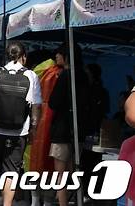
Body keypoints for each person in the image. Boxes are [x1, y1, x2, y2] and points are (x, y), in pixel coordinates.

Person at [0, 42, 42, 206]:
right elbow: (36, 106)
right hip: (20, 132)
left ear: (6, 56)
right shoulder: (31, 76)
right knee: (11, 171)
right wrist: (33, 128)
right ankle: (6, 204)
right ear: (23, 57)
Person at [48, 45, 89, 206]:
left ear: (66, 56)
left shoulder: (65, 75)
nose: (56, 56)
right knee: (74, 169)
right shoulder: (84, 76)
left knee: (61, 173)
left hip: (62, 129)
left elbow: (54, 102)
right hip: (78, 129)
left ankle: (63, 203)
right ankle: (77, 200)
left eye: (59, 53)